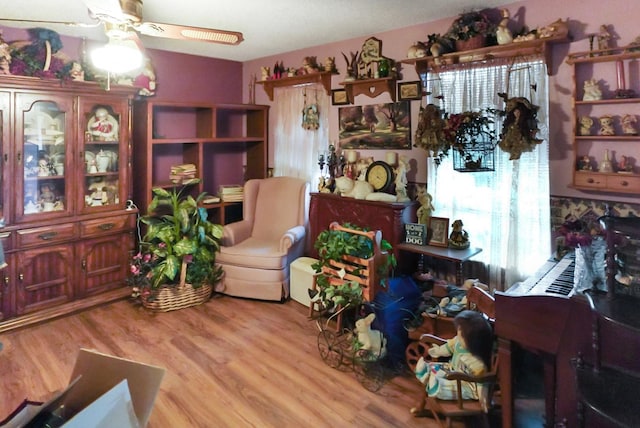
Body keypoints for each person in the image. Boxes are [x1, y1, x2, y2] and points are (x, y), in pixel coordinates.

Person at [413, 310, 493, 404]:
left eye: (461, 335)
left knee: (447, 386)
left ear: (472, 341)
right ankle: (428, 376)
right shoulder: (458, 342)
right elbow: (448, 347)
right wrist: (436, 351)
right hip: (452, 369)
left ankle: (436, 385)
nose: (458, 336)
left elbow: (481, 381)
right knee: (432, 368)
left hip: (465, 383)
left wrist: (483, 400)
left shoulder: (475, 361)